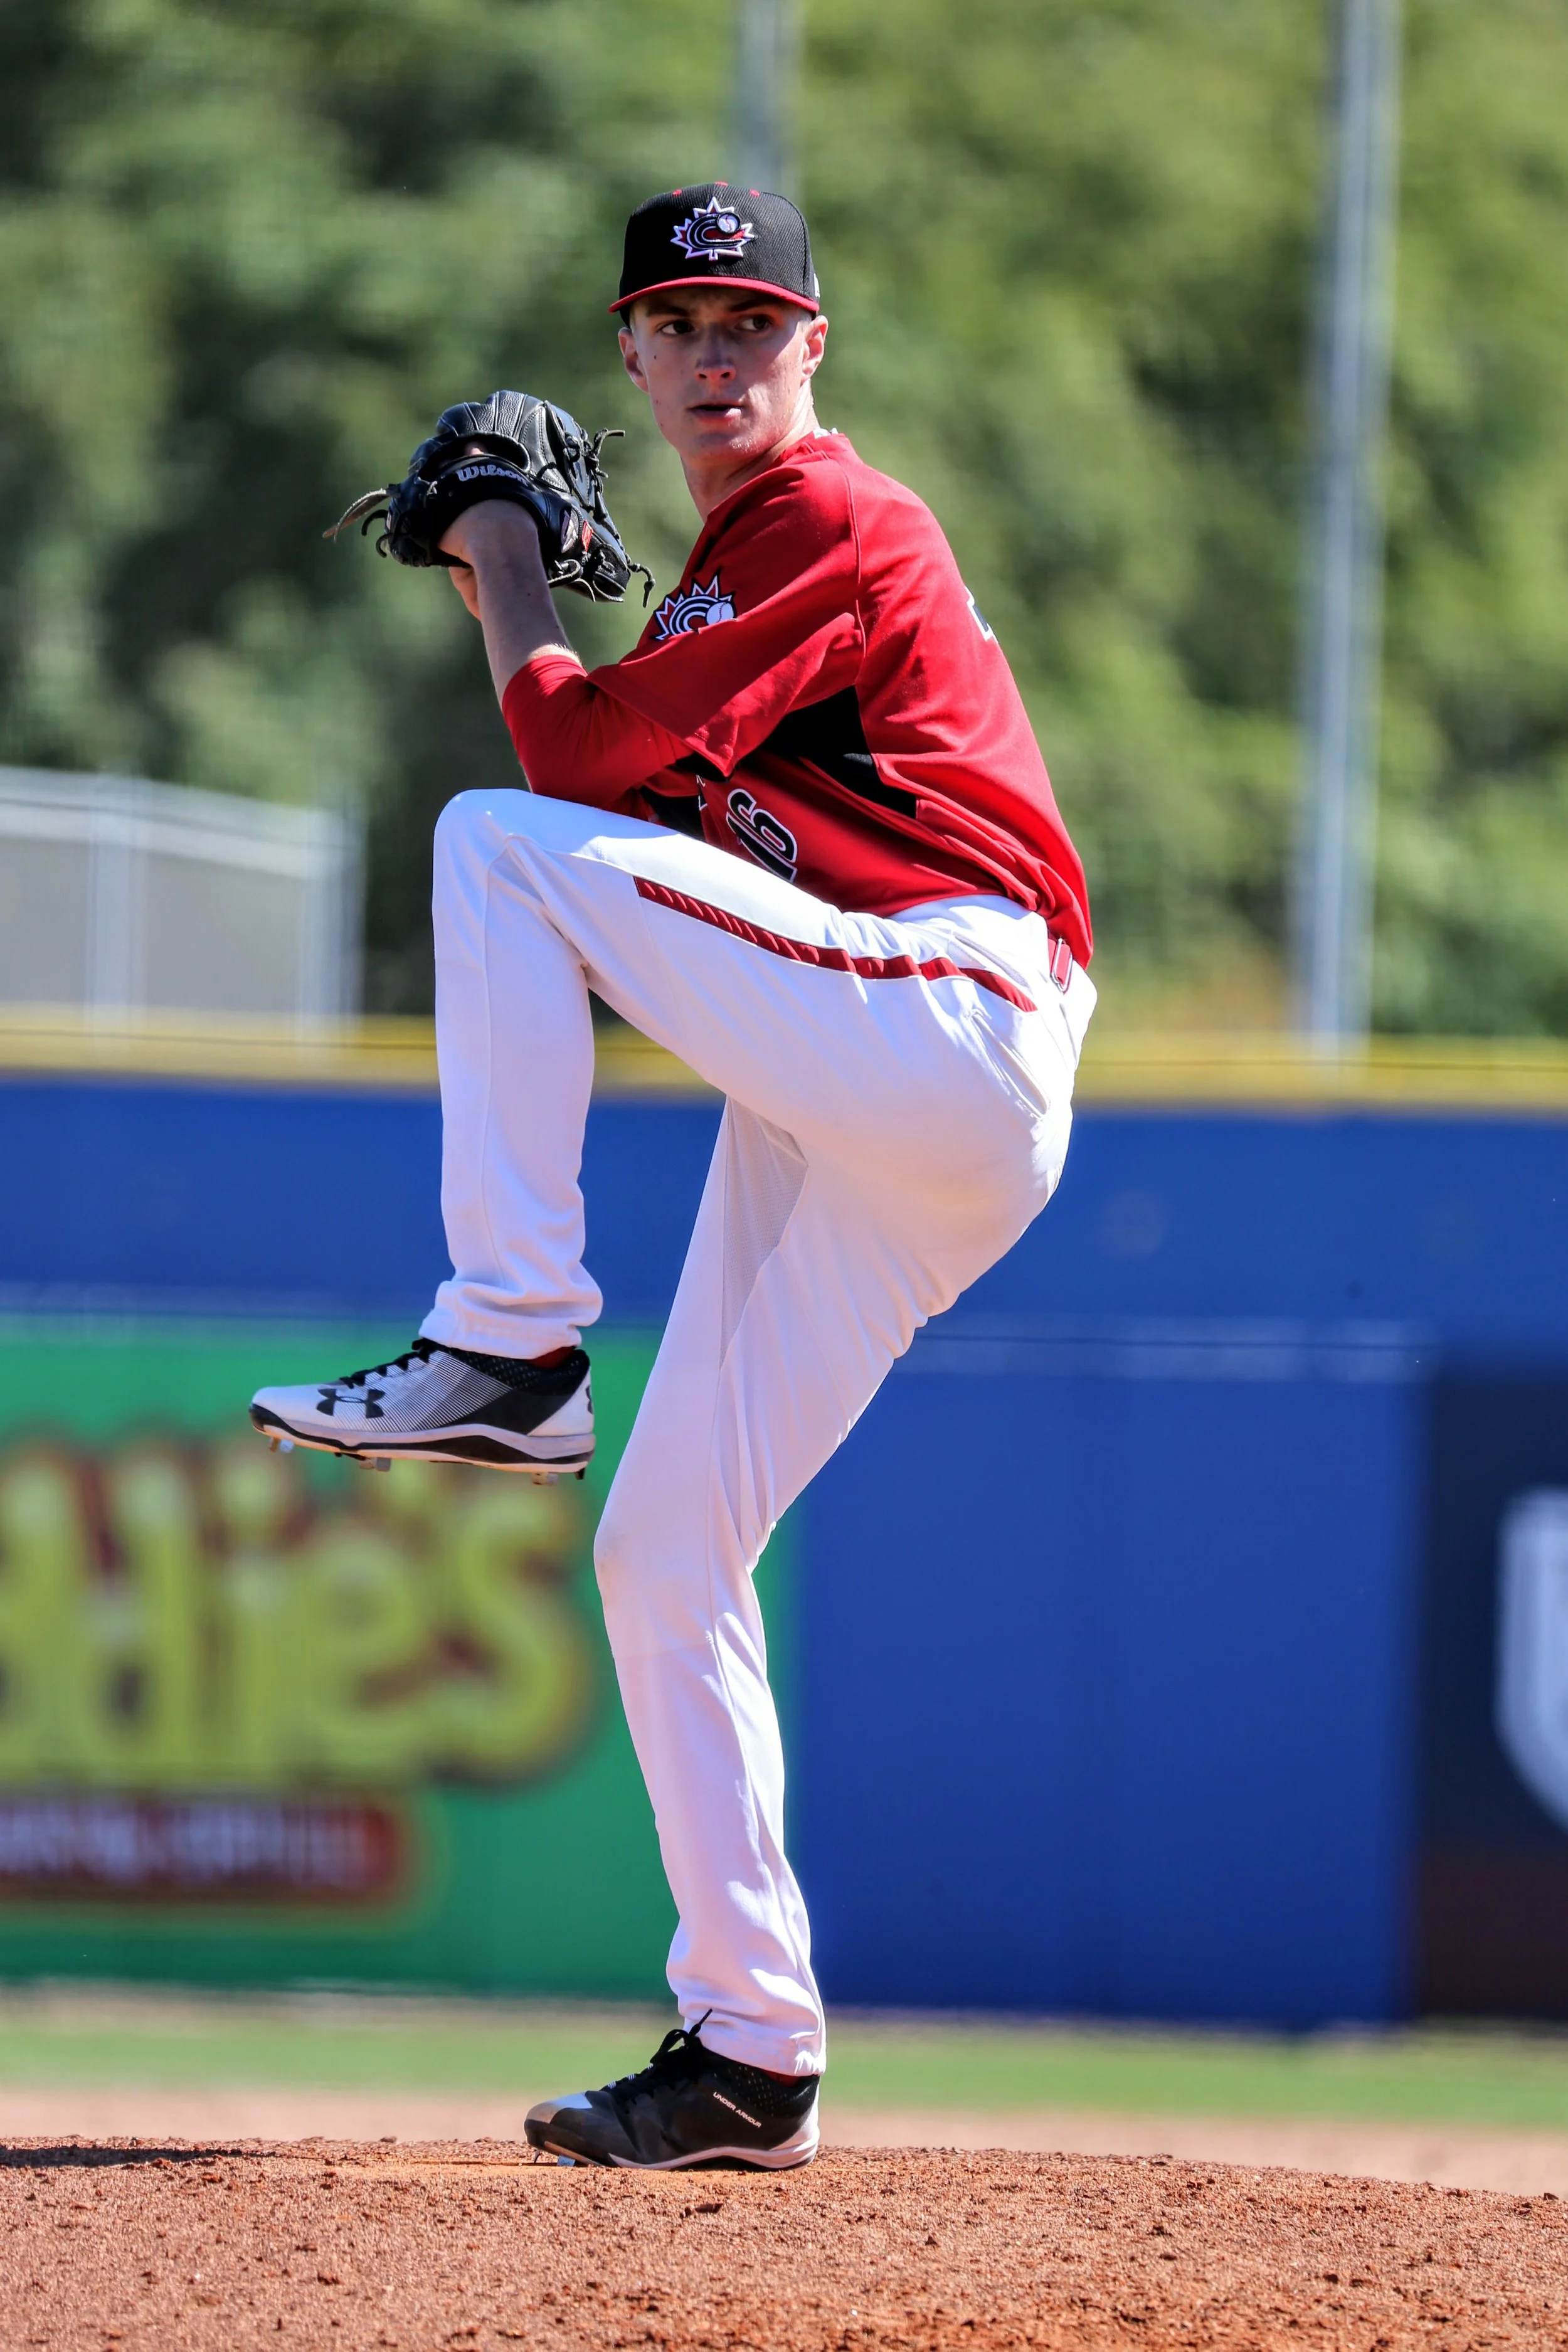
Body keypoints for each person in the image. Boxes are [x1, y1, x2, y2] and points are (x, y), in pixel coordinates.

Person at [251, 183, 1094, 2171]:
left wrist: (496, 553)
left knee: (487, 845)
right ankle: (748, 2047)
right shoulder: (723, 580)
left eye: (753, 323)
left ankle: (514, 1339)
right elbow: (616, 763)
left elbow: (555, 778)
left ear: (817, 349)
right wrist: (512, 587)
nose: (718, 358)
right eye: (679, 325)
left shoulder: (829, 519)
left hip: (953, 1012)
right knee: (663, 1550)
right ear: (629, 357)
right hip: (883, 1099)